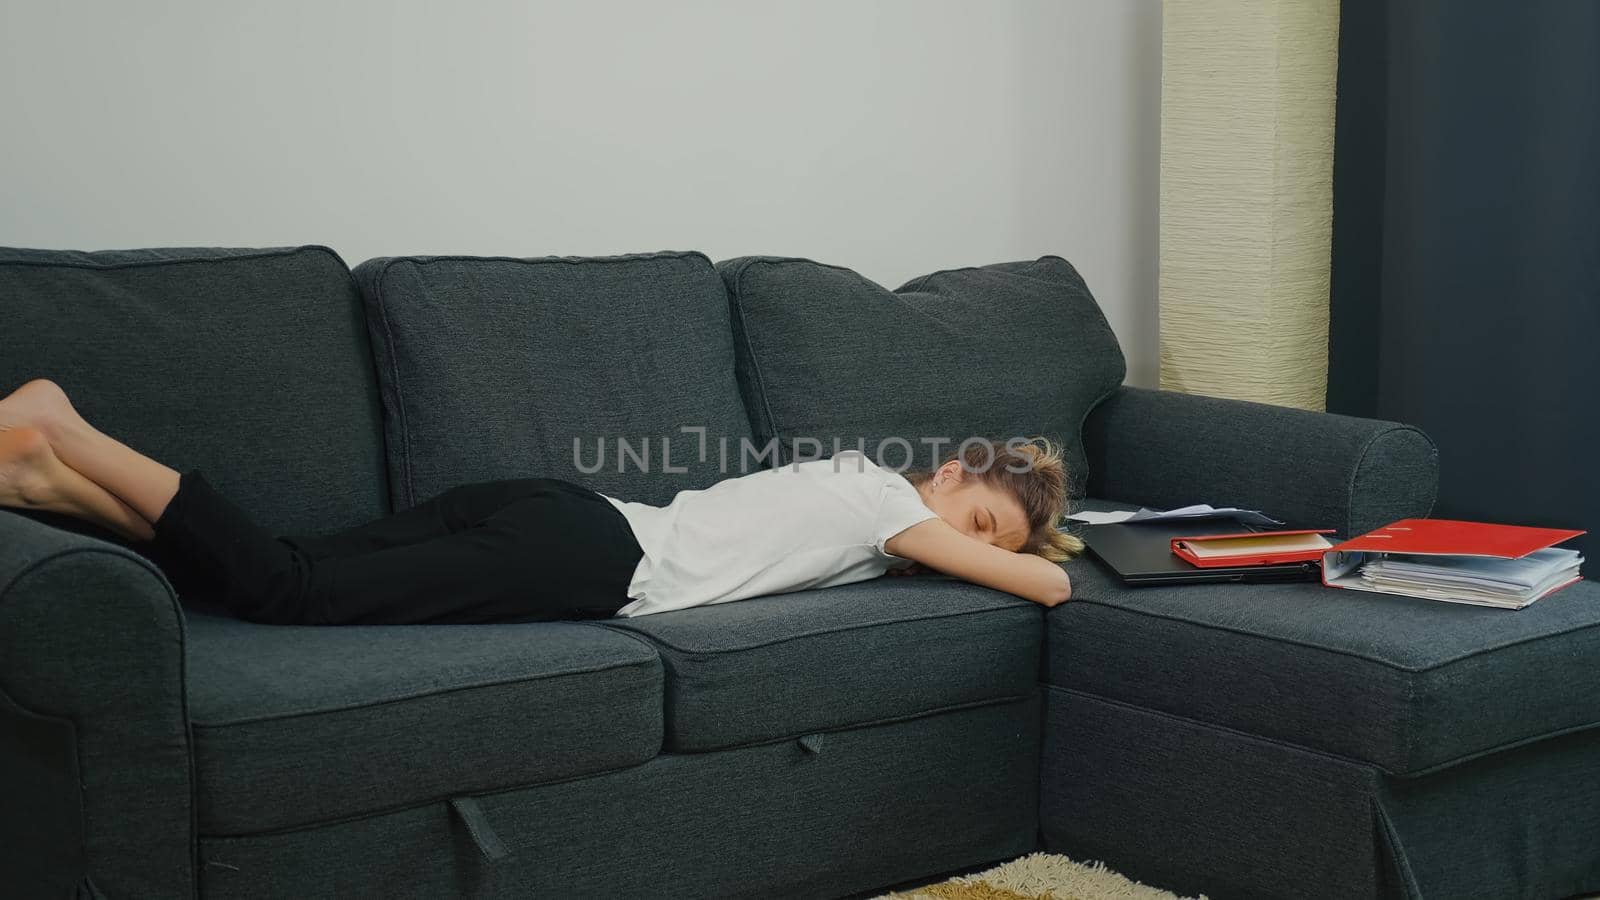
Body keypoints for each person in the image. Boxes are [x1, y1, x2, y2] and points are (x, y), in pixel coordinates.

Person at [0, 378, 1079, 625]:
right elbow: (1045, 589)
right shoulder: (879, 505)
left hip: (560, 508)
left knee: (271, 563)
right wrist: (1042, 552)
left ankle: (52, 483)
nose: (955, 544)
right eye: (975, 517)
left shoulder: (844, 479)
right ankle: (70, 427)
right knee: (287, 589)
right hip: (591, 561)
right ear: (945, 474)